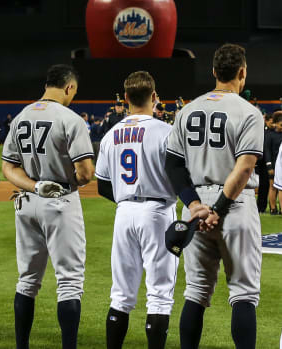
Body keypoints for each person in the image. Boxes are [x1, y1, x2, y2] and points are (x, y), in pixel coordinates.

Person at [165, 43, 263, 349]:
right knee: (243, 293)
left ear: (214, 73)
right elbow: (245, 168)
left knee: (195, 291)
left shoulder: (188, 110)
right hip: (234, 206)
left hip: (195, 209)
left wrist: (195, 206)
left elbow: (173, 164)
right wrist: (218, 209)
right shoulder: (249, 112)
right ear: (242, 73)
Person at [2, 64, 95, 349]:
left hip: (27, 201)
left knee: (27, 280)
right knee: (68, 281)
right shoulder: (70, 118)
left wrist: (34, 186)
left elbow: (8, 167)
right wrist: (63, 182)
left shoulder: (21, 116)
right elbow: (85, 173)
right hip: (61, 201)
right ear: (69, 88)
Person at [95, 71, 178, 349]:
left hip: (124, 213)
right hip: (157, 212)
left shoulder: (110, 135)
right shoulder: (166, 131)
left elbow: (103, 186)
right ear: (154, 98)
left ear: (126, 98)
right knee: (159, 294)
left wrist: (125, 199)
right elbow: (181, 177)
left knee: (120, 295)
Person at [265, 111, 282, 214]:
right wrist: (269, 166)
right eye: (281, 125)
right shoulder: (270, 135)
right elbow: (267, 151)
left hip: (281, 164)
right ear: (275, 123)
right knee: (273, 187)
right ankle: (272, 208)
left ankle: (281, 207)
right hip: (273, 164)